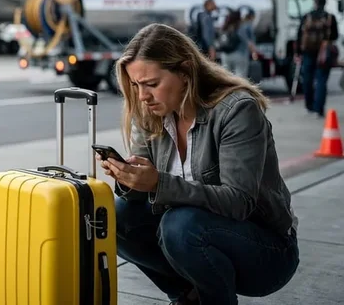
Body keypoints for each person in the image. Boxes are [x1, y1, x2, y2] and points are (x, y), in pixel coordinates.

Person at [97, 23, 299, 305]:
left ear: (185, 71)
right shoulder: (151, 112)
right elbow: (146, 196)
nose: (142, 96)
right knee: (115, 216)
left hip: (266, 250)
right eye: (135, 85)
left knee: (180, 224)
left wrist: (157, 182)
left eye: (152, 84)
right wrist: (130, 178)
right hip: (191, 235)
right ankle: (187, 297)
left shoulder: (236, 110)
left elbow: (239, 202)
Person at [295, 0, 339, 118]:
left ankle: (309, 106)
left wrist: (297, 52)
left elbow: (299, 35)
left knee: (307, 80)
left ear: (314, 2)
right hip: (324, 53)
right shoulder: (330, 17)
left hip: (308, 52)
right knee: (321, 80)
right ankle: (318, 109)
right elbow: (335, 36)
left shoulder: (307, 16)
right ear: (325, 3)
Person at [218, 9, 256, 79]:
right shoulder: (240, 27)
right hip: (239, 54)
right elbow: (246, 41)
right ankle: (239, 90)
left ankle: (229, 90)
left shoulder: (225, 26)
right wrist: (253, 51)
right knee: (240, 78)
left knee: (227, 78)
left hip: (225, 55)